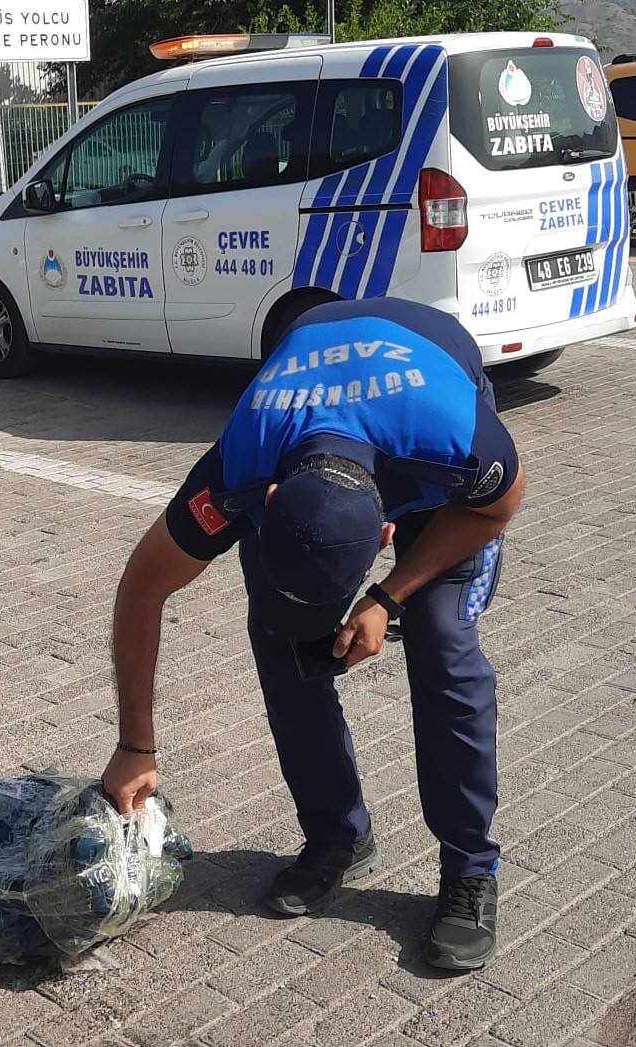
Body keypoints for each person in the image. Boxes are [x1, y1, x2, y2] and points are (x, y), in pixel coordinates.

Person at [100, 297, 526, 971]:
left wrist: (386, 596)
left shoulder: (456, 443)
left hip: (422, 422)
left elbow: (496, 509)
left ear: (387, 531)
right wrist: (134, 744)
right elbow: (142, 586)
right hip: (308, 424)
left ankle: (469, 867)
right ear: (265, 503)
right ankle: (336, 835)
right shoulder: (241, 464)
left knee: (443, 643)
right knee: (279, 639)